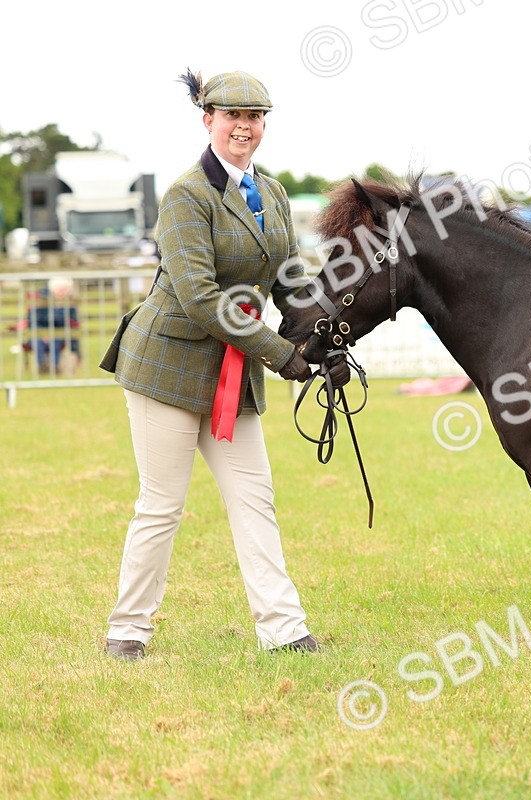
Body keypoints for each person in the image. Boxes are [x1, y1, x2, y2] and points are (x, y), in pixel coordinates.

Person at [99, 69, 347, 661]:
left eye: (256, 116)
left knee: (254, 496)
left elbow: (287, 279)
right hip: (169, 365)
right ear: (207, 119)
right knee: (162, 504)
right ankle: (128, 631)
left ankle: (284, 630)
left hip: (234, 369)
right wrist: (282, 355)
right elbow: (200, 296)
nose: (245, 126)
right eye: (233, 115)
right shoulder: (186, 195)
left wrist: (324, 339)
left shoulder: (277, 193)